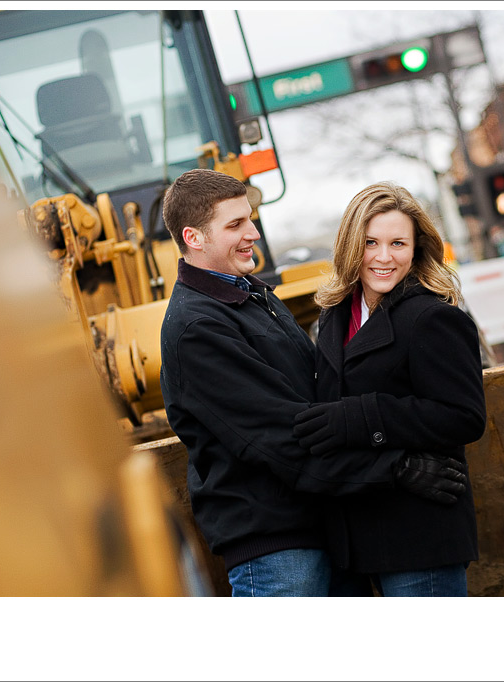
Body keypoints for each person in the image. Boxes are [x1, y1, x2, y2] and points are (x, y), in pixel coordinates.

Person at [158, 169, 468, 597]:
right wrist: (394, 469)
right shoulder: (198, 328)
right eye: (235, 225)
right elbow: (280, 438)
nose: (253, 233)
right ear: (193, 238)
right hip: (275, 548)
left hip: (326, 529)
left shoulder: (253, 298)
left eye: (250, 219)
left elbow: (320, 401)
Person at [293, 182, 487, 597]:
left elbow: (464, 416)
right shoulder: (333, 317)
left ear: (416, 249)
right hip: (354, 541)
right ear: (350, 246)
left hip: (419, 538)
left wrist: (363, 416)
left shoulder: (433, 317)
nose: (384, 257)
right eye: (371, 243)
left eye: (398, 243)